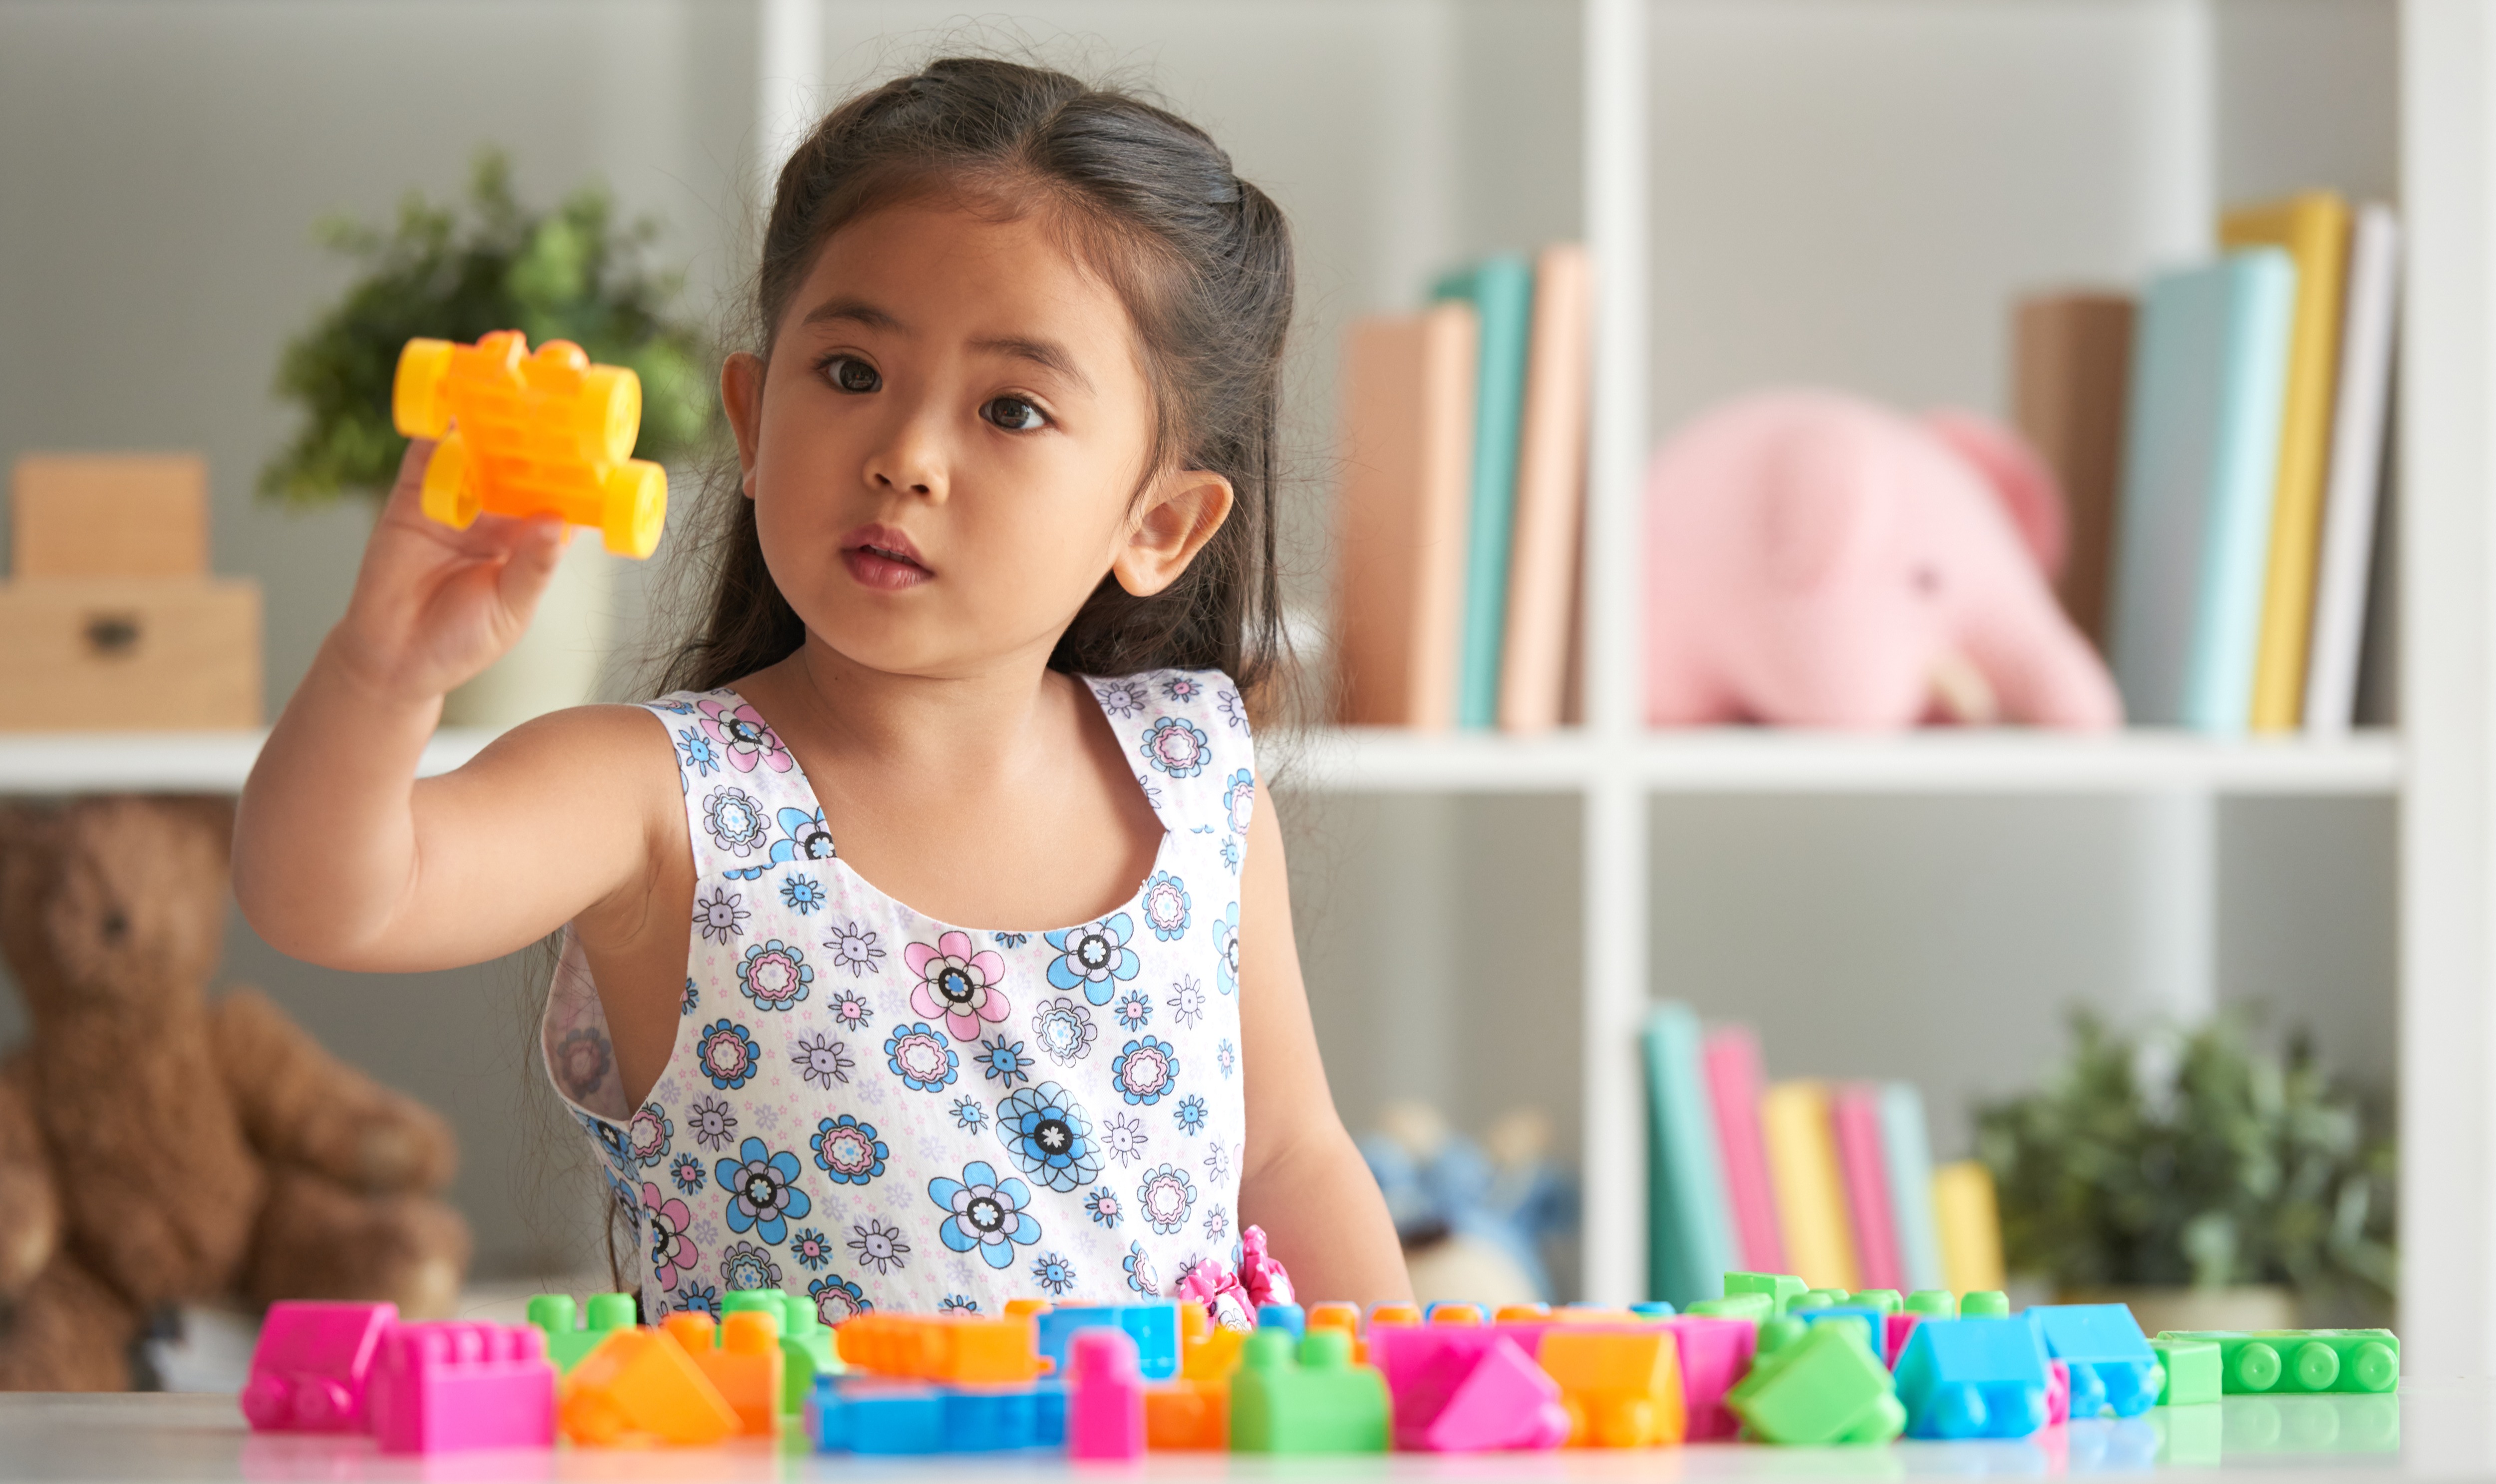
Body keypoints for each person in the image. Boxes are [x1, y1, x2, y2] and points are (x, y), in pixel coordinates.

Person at [234, 56, 1410, 1325]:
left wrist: (1415, 1411)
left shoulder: (1193, 778)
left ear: (1162, 520)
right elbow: (332, 897)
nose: (904, 455)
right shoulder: (658, 793)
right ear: (751, 421)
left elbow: (1288, 1156)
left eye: (1010, 409)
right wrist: (382, 668)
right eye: (851, 373)